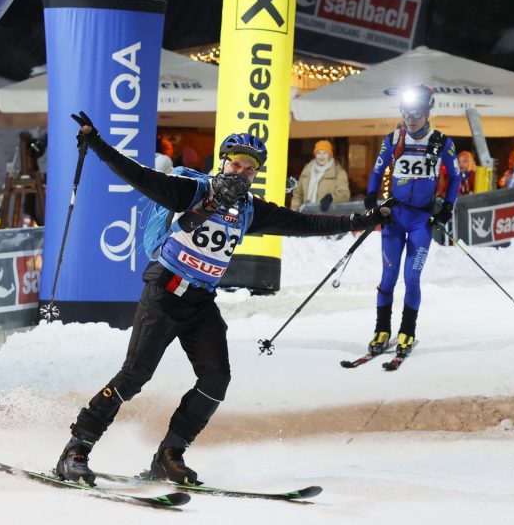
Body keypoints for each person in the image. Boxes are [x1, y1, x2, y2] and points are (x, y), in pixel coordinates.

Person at [57, 112, 392, 486]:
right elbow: (139, 176)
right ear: (222, 163)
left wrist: (362, 220)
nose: (241, 173)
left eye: (249, 170)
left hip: (200, 303)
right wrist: (97, 143)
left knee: (216, 380)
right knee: (135, 376)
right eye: (236, 165)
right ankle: (76, 449)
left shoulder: (251, 210)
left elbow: (305, 224)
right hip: (164, 294)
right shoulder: (193, 190)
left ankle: (169, 455)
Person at [363, 83, 461, 358]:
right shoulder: (393, 139)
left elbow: (456, 178)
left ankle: (407, 330)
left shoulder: (441, 142)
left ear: (427, 112)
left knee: (412, 278)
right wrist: (371, 199)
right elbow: (377, 171)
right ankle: (382, 329)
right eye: (406, 114)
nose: (410, 119)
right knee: (388, 277)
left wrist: (447, 208)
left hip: (421, 220)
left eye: (416, 114)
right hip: (395, 216)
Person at [289, 139, 350, 211]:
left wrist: (331, 198)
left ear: (330, 155)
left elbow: (344, 194)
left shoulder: (339, 172)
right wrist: (293, 212)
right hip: (306, 213)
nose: (321, 156)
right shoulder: (307, 170)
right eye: (319, 153)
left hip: (326, 214)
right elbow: (298, 194)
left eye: (325, 153)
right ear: (315, 155)